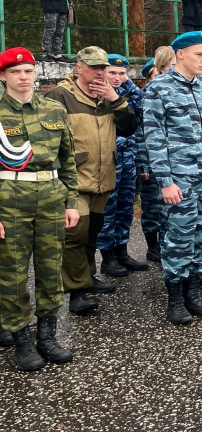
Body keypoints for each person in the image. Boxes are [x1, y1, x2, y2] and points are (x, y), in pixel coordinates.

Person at [0, 48, 79, 370]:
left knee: (50, 270)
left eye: (29, 71)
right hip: (9, 203)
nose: (23, 77)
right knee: (13, 275)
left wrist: (71, 201)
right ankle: (21, 339)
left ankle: (47, 336)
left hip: (50, 198)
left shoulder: (53, 110)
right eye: (16, 72)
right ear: (3, 76)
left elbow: (68, 159)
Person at [143, 31, 202, 324]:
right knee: (179, 238)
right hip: (179, 179)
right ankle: (176, 300)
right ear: (180, 55)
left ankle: (193, 294)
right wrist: (165, 181)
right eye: (199, 54)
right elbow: (154, 139)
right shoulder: (159, 89)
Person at [48, 46, 138, 314]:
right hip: (73, 179)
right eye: (94, 67)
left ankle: (87, 277)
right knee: (75, 233)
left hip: (103, 177)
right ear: (79, 68)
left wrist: (115, 98)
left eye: (103, 67)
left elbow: (130, 127)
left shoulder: (108, 96)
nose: (100, 72)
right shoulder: (61, 96)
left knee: (92, 231)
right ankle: (77, 292)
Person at [95, 53, 149, 279]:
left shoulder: (128, 91)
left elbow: (144, 107)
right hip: (107, 158)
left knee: (126, 206)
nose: (117, 77)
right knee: (108, 207)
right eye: (113, 73)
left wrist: (127, 85)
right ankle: (107, 258)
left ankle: (122, 251)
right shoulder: (96, 93)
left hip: (129, 157)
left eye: (122, 73)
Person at [136, 46, 175, 263]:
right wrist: (143, 164)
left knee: (171, 213)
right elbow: (143, 135)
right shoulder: (149, 97)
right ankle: (153, 248)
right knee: (152, 207)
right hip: (152, 163)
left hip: (175, 163)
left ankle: (167, 250)